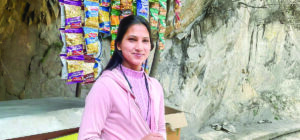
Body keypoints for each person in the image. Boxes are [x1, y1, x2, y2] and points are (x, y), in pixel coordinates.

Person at [78, 15, 166, 140]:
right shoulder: (105, 86)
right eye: (132, 39)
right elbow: (87, 137)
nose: (139, 47)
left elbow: (161, 129)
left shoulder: (155, 87)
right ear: (118, 45)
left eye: (145, 41)